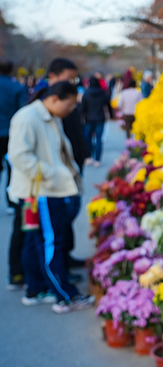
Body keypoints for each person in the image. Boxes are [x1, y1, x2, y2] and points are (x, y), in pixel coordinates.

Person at [8, 81, 94, 313]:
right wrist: (52, 174)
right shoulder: (28, 117)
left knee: (36, 242)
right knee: (51, 243)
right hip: (42, 192)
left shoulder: (49, 115)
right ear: (55, 99)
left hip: (43, 190)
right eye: (70, 104)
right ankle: (65, 296)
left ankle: (35, 289)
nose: (72, 110)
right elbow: (18, 156)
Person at [31, 59, 89, 273]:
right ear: (53, 78)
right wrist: (51, 173)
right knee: (48, 231)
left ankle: (64, 260)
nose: (73, 82)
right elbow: (21, 155)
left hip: (67, 168)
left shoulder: (59, 106)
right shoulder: (38, 110)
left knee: (66, 218)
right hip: (49, 180)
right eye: (69, 78)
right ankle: (48, 277)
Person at [0, 59, 27, 215]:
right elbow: (22, 111)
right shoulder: (17, 87)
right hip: (11, 132)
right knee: (13, 168)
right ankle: (11, 201)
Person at [81, 77, 114, 167]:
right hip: (100, 118)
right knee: (99, 139)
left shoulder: (86, 94)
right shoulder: (102, 93)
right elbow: (108, 105)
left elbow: (83, 107)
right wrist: (111, 116)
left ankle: (88, 157)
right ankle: (97, 159)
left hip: (88, 119)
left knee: (88, 138)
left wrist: (81, 117)